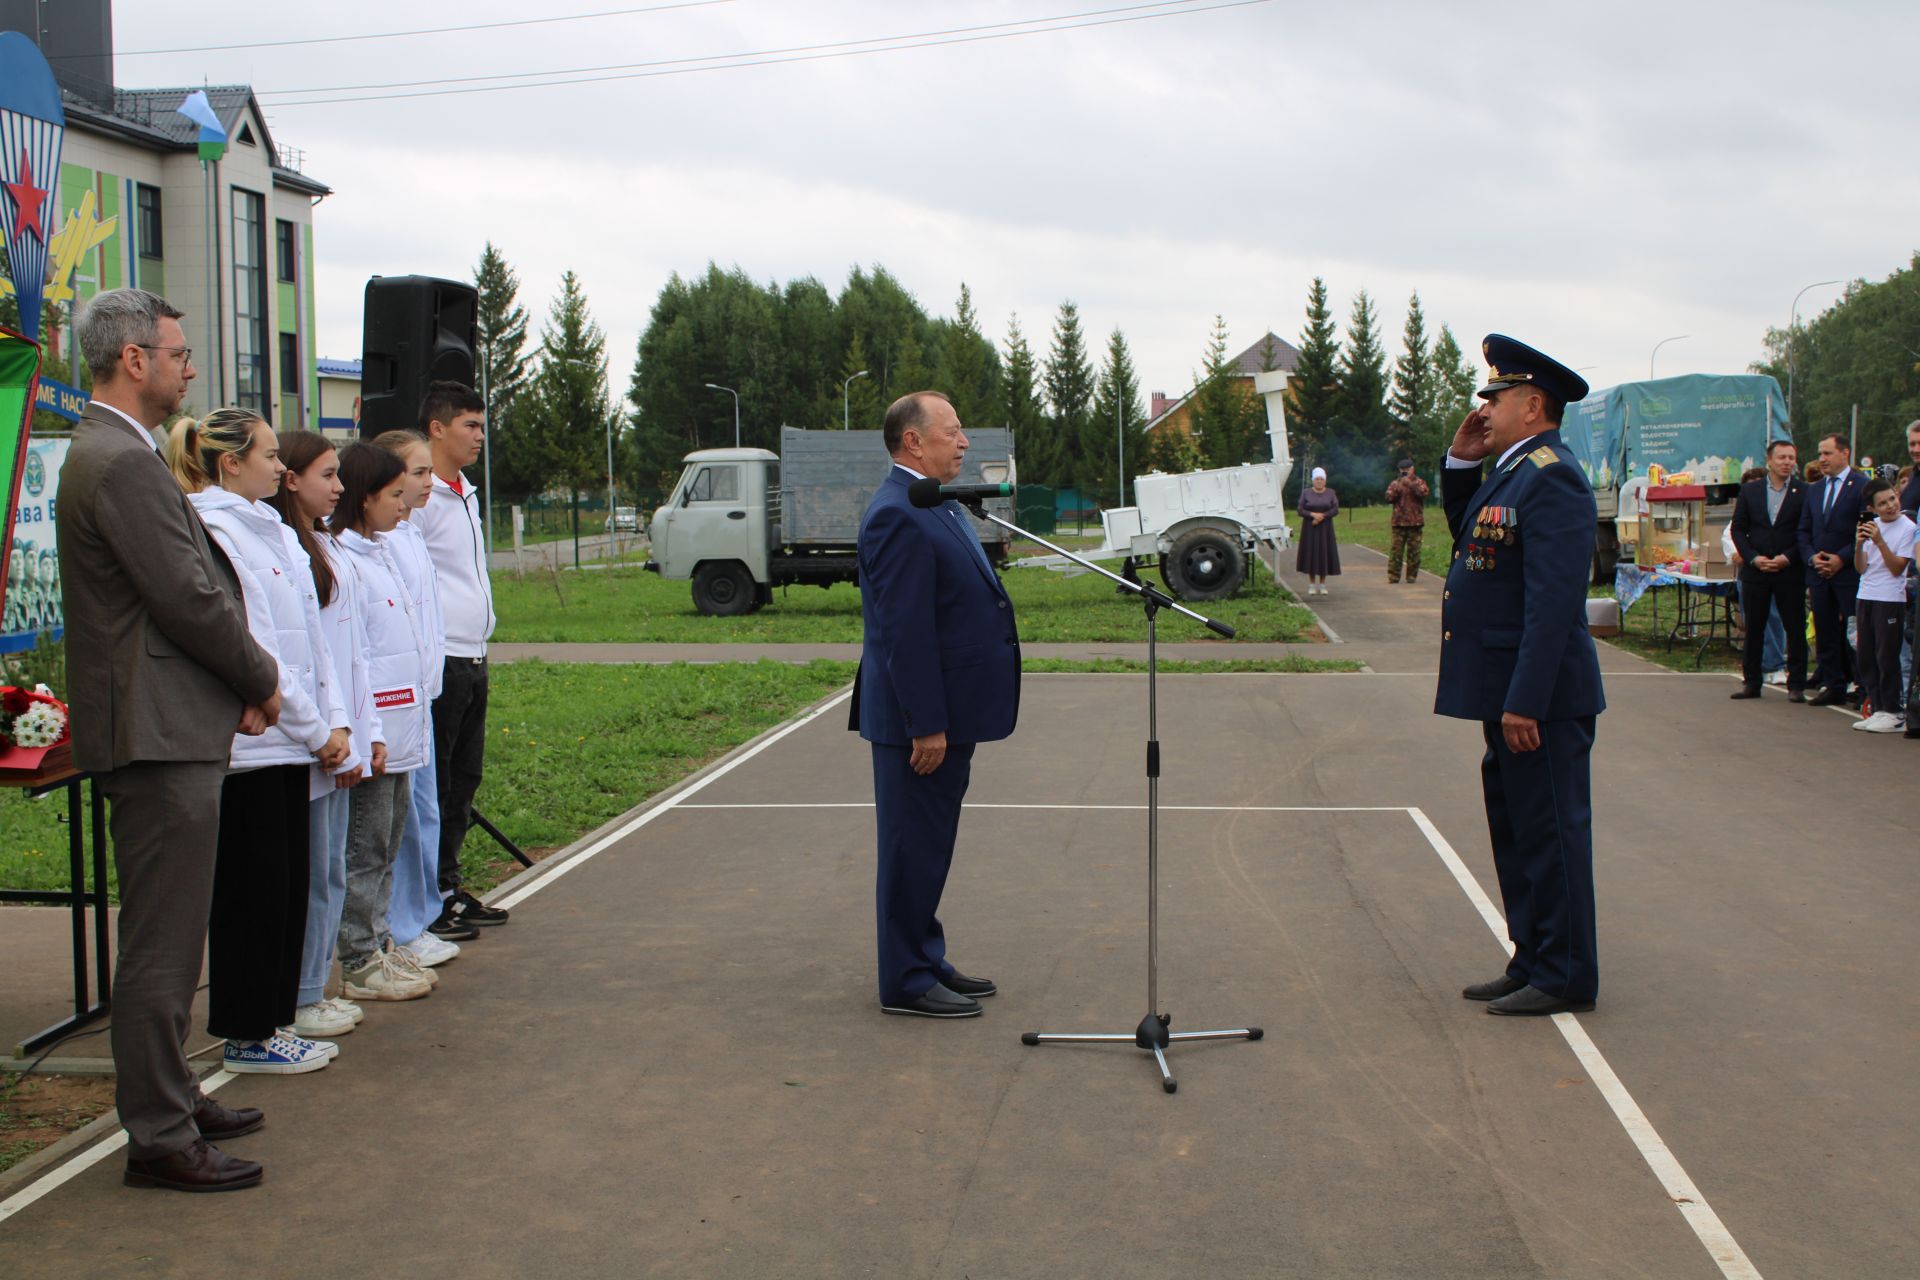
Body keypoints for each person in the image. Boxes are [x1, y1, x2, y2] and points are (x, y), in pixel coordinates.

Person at [56, 288, 280, 1192]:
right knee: (161, 942)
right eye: (179, 353)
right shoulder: (117, 461)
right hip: (152, 734)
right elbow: (185, 597)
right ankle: (157, 1131)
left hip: (165, 725)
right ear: (134, 360)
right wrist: (259, 678)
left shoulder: (124, 452)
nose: (191, 368)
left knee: (175, 932)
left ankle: (174, 1094)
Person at [172, 410, 352, 1076]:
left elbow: (313, 639)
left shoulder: (273, 529)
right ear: (230, 463)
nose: (282, 468)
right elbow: (258, 647)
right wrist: (313, 725)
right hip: (253, 744)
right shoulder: (216, 530)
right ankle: (247, 1032)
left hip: (294, 740)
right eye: (272, 456)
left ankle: (273, 1021)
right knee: (253, 893)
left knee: (286, 888)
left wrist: (333, 723)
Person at [1436, 335, 1604, 1018]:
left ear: (1533, 405)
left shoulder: (1552, 475)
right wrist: (1458, 464)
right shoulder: (1515, 470)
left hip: (1539, 697)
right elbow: (1471, 542)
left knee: (1551, 832)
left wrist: (1525, 701)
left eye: (1497, 398)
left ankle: (1565, 974)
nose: (1487, 409)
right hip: (1506, 690)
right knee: (1517, 828)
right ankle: (1532, 957)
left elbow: (1554, 603)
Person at [850, 391, 1021, 1018]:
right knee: (910, 847)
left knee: (930, 844)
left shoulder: (933, 503)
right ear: (913, 441)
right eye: (953, 431)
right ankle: (905, 981)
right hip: (919, 723)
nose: (965, 442)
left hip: (947, 712)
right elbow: (905, 632)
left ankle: (922, 954)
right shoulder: (897, 511)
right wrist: (927, 725)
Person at [269, 431, 377, 1040]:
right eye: (327, 475)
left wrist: (356, 728)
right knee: (313, 871)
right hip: (308, 733)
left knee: (331, 867)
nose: (339, 487)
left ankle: (316, 984)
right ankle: (305, 991)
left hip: (335, 726)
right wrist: (324, 730)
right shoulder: (287, 547)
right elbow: (300, 655)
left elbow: (343, 653)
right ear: (291, 479)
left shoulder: (320, 544)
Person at [330, 443, 438, 1002]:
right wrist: (365, 728)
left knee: (390, 842)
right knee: (365, 846)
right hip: (374, 730)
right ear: (365, 495)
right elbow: (357, 655)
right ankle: (358, 957)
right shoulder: (341, 556)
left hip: (402, 725)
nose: (404, 504)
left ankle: (379, 941)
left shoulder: (382, 550)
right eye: (395, 494)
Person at [413, 382, 510, 937]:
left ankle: (447, 885)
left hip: (474, 656)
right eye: (470, 425)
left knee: (464, 779)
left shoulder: (465, 491)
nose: (480, 436)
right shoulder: (422, 497)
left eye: (480, 425)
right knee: (440, 784)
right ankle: (429, 896)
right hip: (442, 658)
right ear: (437, 428)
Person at [371, 428, 465, 962]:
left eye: (430, 472)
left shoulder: (408, 534)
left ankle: (418, 916)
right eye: (419, 472)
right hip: (394, 705)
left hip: (423, 696)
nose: (429, 482)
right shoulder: (376, 540)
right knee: (393, 828)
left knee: (424, 813)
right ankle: (398, 928)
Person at [1729, 443, 1808, 701]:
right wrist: (1752, 558)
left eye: (1791, 458)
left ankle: (1796, 683)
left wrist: (1787, 558)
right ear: (1770, 461)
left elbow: (1805, 531)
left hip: (1789, 570)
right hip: (1757, 570)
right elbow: (1738, 529)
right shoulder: (1750, 492)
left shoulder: (1803, 492)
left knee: (1794, 627)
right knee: (1754, 627)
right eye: (1781, 457)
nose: (1786, 462)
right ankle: (1752, 681)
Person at [1798, 433, 1866, 707]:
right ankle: (1833, 683)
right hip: (1819, 573)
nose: (1822, 459)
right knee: (1825, 629)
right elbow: (1803, 530)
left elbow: (1864, 530)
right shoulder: (1814, 490)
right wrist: (1813, 558)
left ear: (1844, 453)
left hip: (1848, 572)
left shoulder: (1862, 486)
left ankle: (1862, 686)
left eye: (1827, 453)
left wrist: (1841, 558)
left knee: (1854, 632)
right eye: (1820, 454)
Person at [1851, 478, 1915, 732]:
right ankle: (1878, 707)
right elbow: (1861, 567)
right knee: (1866, 654)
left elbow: (1898, 568)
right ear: (1872, 507)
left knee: (1886, 655)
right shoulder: (1871, 525)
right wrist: (1858, 544)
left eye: (1892, 498)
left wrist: (1879, 542)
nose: (1890, 506)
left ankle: (1894, 710)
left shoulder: (1907, 528)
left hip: (1890, 598)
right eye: (1883, 503)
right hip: (1866, 594)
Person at [1296, 467, 1340, 595]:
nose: (1319, 481)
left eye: (1322, 479)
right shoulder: (1306, 493)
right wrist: (1312, 515)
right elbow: (1300, 509)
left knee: (1323, 553)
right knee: (1311, 553)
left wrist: (1322, 516)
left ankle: (1322, 584)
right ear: (1313, 481)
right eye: (1317, 479)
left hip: (1325, 528)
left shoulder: (1331, 493)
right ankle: (1311, 584)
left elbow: (1335, 509)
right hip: (1310, 528)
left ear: (1325, 480)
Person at [1384, 458, 1429, 584]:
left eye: (1407, 470)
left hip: (1415, 523)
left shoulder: (1419, 482)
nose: (1405, 473)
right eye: (1403, 471)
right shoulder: (1395, 483)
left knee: (1414, 552)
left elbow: (1424, 493)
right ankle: (1393, 577)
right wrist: (1399, 487)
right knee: (1396, 553)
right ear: (1399, 471)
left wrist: (1410, 484)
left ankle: (1411, 577)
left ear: (1412, 469)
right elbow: (1388, 497)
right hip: (1399, 523)